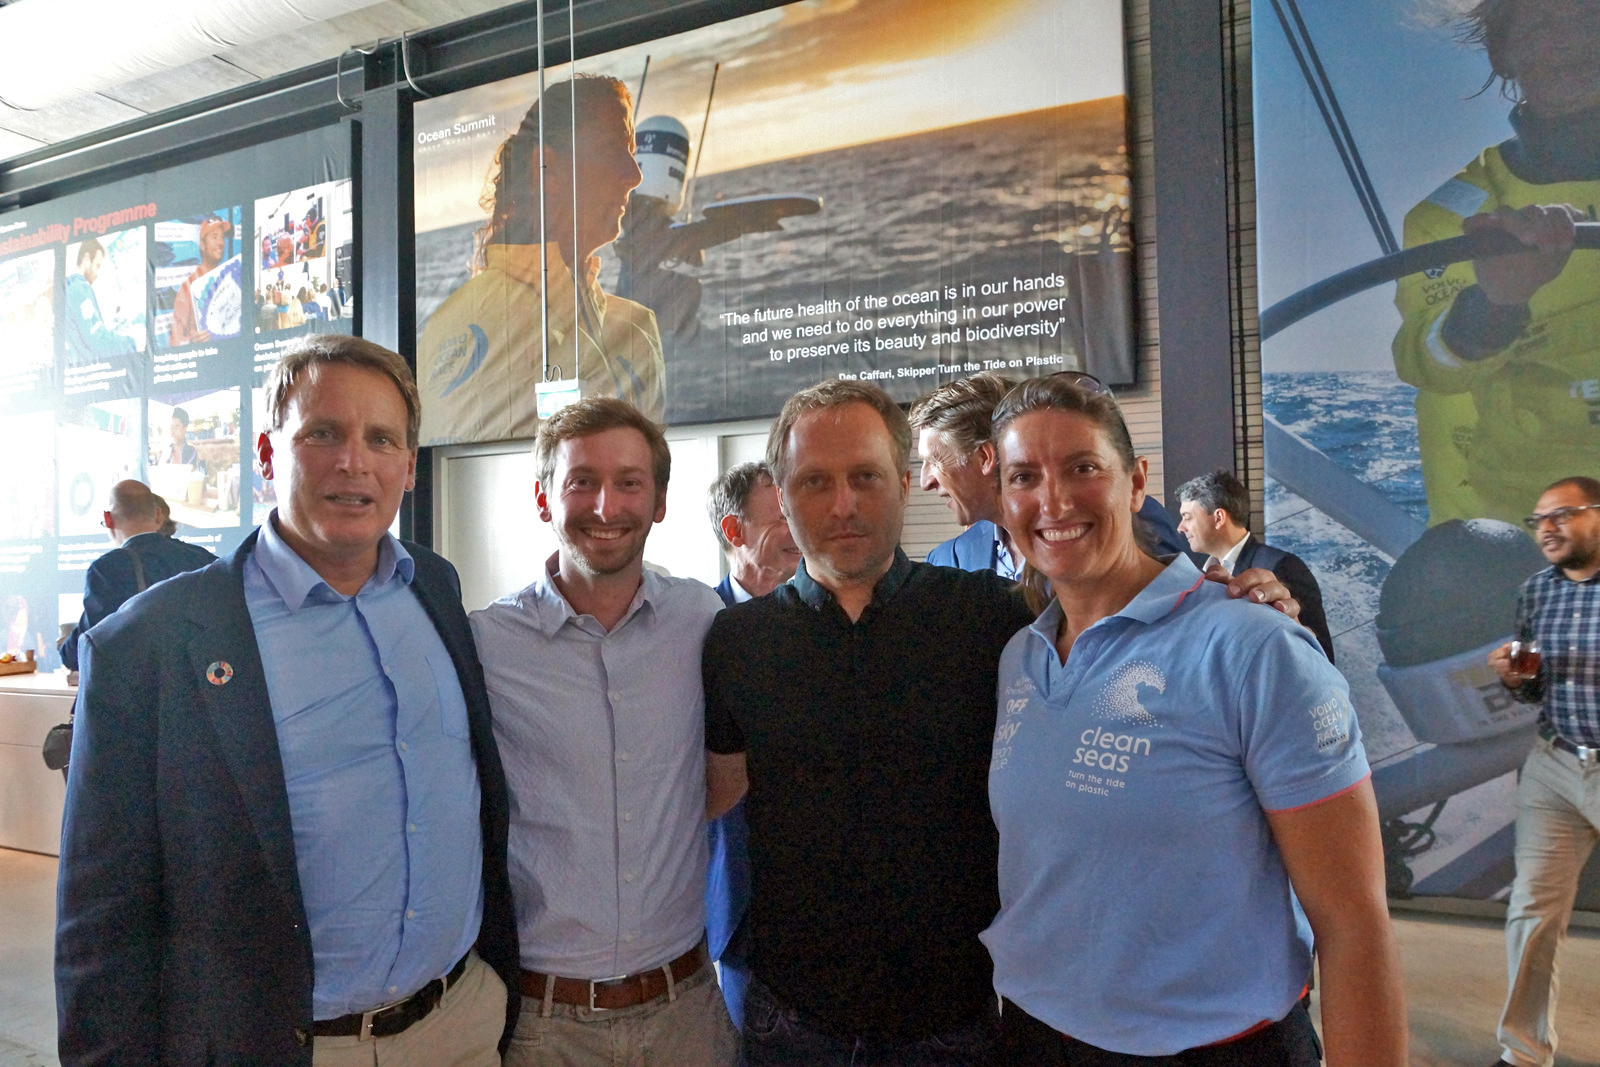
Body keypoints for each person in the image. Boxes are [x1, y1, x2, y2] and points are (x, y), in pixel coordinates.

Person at [702, 380, 1303, 1065]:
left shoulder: (998, 618)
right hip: (792, 1019)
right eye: (815, 481)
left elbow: (1117, 596)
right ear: (782, 497)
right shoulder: (736, 643)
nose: (844, 504)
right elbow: (712, 794)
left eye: (866, 476)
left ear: (904, 484)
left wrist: (1228, 593)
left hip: (960, 1020)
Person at [55, 335, 520, 1065]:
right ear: (268, 455)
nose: (353, 462)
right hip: (284, 1047)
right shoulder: (149, 644)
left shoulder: (434, 586)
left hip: (458, 1025)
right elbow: (101, 917)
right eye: (322, 433)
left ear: (408, 466)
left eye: (381, 439)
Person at [982, 375, 1406, 1067]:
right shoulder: (1019, 657)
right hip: (1035, 1035)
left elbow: (1354, 921)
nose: (1053, 501)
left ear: (1136, 482)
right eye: (1024, 476)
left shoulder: (1253, 644)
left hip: (1218, 1049)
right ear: (1003, 501)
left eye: (1083, 467)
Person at [469, 397, 739, 1065]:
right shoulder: (486, 643)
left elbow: (723, 780)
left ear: (660, 502)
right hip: (543, 1025)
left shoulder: (703, 620)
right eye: (581, 481)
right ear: (543, 498)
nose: (605, 505)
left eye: (629, 482)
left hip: (685, 1012)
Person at [1392, 0, 1600, 525]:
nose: (1569, 38)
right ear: (1501, 52)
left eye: (1589, 17)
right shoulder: (1447, 221)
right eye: (1542, 22)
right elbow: (1428, 362)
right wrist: (1497, 304)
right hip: (1530, 533)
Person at [417, 75, 665, 446]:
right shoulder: (471, 324)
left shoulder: (638, 328)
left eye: (630, 150)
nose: (634, 174)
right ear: (546, 169)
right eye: (611, 148)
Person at [1487, 475, 1600, 1067]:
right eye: (1538, 520)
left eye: (1563, 514)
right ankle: (1525, 1052)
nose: (1547, 528)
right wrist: (1516, 680)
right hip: (1554, 763)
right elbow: (1535, 690)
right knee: (1532, 913)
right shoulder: (1535, 593)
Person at [911, 372, 1188, 575]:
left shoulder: (1131, 518)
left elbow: (1181, 605)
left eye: (934, 460)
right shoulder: (950, 559)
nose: (925, 482)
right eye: (1024, 476)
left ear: (986, 457)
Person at [703, 460, 801, 1029]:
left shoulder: (821, 617)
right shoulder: (695, 628)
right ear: (734, 531)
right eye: (781, 515)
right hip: (738, 903)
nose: (797, 525)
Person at [1176, 468, 1335, 662]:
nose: (1180, 528)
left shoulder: (1283, 567)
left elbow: (1322, 658)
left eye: (1187, 517)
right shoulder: (1200, 577)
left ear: (1218, 518)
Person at [58, 480, 216, 672]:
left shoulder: (108, 568)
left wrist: (65, 648)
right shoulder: (204, 559)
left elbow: (87, 647)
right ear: (159, 515)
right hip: (202, 682)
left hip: (145, 686)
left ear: (108, 519)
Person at [64, 238, 135, 362]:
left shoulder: (68, 290)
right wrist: (131, 343)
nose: (97, 274)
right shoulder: (79, 290)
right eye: (97, 266)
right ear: (86, 259)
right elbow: (97, 340)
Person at [169, 215, 231, 346]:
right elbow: (174, 341)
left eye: (222, 237)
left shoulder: (230, 279)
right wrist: (193, 342)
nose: (220, 242)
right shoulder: (189, 287)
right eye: (214, 237)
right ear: (202, 245)